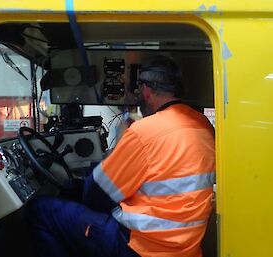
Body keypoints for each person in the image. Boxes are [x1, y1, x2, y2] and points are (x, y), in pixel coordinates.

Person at [29, 56, 215, 257]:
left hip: (139, 248)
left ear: (146, 89)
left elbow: (94, 196)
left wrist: (118, 147)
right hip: (185, 249)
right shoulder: (203, 125)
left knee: (41, 209)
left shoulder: (144, 131)